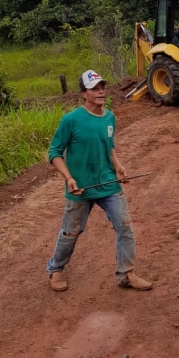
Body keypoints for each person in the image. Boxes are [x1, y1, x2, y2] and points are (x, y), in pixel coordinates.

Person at [46, 70, 152, 292]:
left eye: (102, 86)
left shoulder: (110, 117)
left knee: (125, 227)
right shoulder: (71, 120)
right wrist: (69, 178)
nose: (101, 91)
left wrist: (118, 165)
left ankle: (126, 274)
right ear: (84, 94)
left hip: (108, 185)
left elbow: (109, 146)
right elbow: (54, 152)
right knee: (70, 232)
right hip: (80, 189)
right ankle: (56, 270)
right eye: (94, 88)